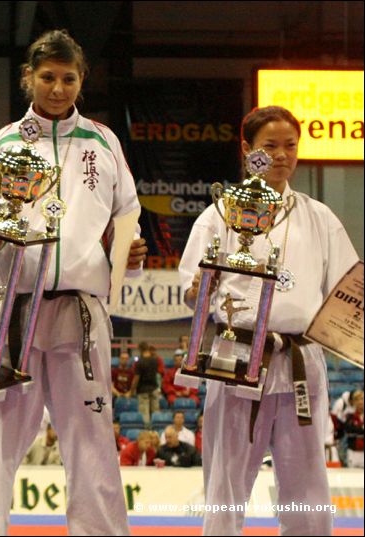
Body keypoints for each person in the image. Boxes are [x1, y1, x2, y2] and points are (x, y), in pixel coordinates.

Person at [0, 29, 147, 536]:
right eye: (47, 77)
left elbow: (127, 214)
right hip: (10, 312)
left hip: (80, 310)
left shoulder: (103, 142)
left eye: (68, 78)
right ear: (29, 79)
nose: (58, 88)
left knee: (90, 438)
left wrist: (127, 256)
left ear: (81, 81)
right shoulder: (2, 144)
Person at [180, 105, 358, 536]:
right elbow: (191, 291)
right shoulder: (220, 215)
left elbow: (349, 290)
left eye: (290, 146)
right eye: (269, 147)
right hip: (235, 355)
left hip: (300, 358)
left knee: (307, 486)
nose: (281, 156)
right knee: (227, 482)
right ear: (247, 151)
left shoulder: (320, 217)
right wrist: (204, 285)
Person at [130, 343, 161, 425]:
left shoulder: (140, 362)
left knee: (145, 415)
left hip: (143, 390)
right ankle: (156, 432)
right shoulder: (154, 360)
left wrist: (131, 391)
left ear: (140, 349)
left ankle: (147, 433)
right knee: (156, 414)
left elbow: (136, 378)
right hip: (154, 389)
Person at [343, 390, 364, 468]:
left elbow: (354, 430)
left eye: (362, 399)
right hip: (353, 452)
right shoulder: (350, 416)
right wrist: (361, 429)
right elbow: (349, 430)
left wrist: (358, 430)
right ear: (354, 402)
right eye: (357, 399)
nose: (360, 402)